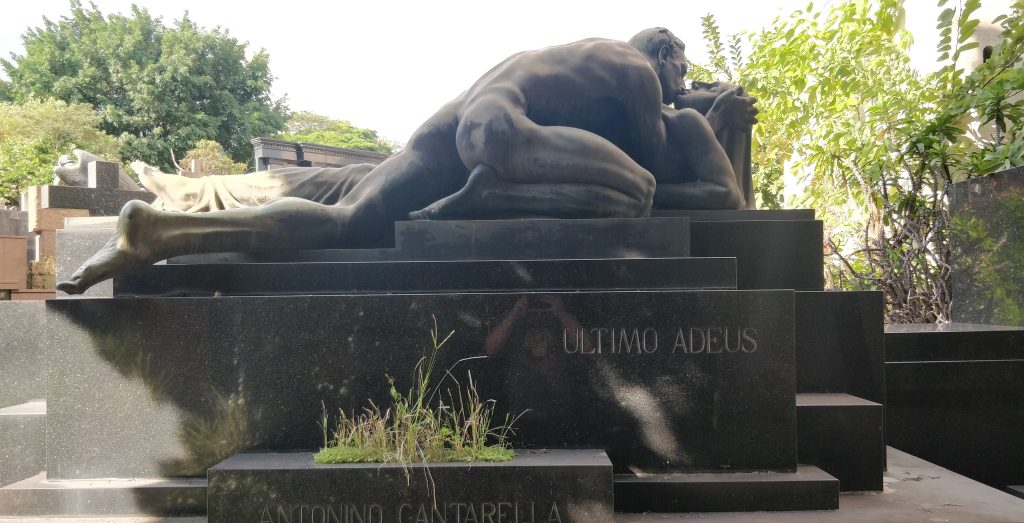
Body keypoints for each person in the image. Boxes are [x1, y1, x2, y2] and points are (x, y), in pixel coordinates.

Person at [58, 28, 753, 295]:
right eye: (683, 68)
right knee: (635, 193)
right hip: (503, 139)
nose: (682, 82)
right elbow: (660, 170)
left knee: (349, 219)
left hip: (458, 124)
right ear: (662, 55)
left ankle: (158, 234)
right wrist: (711, 115)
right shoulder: (633, 68)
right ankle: (489, 199)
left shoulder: (561, 64)